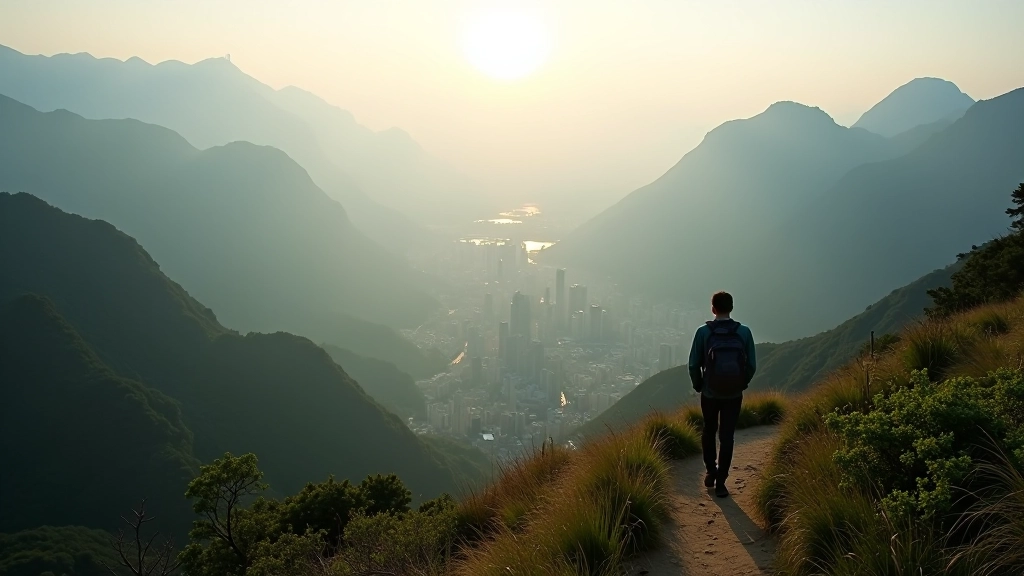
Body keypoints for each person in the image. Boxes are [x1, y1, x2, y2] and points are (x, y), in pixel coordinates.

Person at [687, 291, 756, 498]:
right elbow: (751, 365)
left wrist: (699, 385)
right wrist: (741, 383)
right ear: (732, 308)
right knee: (727, 437)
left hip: (710, 393)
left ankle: (711, 470)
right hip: (734, 394)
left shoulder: (703, 332)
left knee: (709, 430)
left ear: (713, 309)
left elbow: (693, 365)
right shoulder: (744, 332)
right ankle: (721, 483)